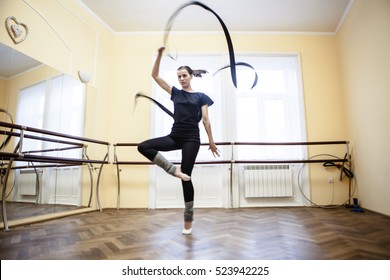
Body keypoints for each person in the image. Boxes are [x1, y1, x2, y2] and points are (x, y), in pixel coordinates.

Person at [138, 46, 220, 235]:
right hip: (174, 136)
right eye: (179, 76)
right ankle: (173, 170)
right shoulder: (175, 93)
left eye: (184, 75)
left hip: (192, 138)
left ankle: (188, 219)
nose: (182, 79)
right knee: (143, 146)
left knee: (187, 177)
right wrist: (158, 55)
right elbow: (155, 76)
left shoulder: (201, 97)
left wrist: (212, 141)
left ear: (191, 76)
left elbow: (206, 120)